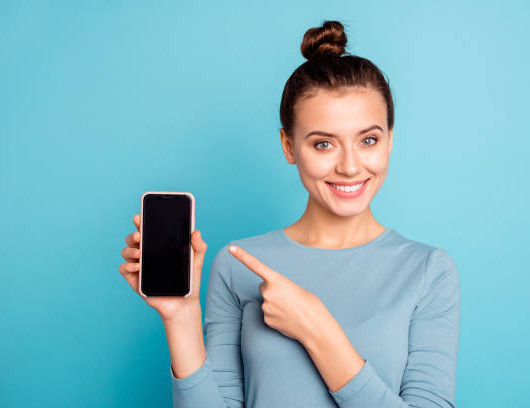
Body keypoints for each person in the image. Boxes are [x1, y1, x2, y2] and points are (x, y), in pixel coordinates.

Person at [119, 20, 460, 408]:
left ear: (389, 140)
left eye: (368, 140)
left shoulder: (429, 270)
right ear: (289, 146)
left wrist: (318, 330)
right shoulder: (238, 266)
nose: (350, 166)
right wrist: (180, 317)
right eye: (324, 144)